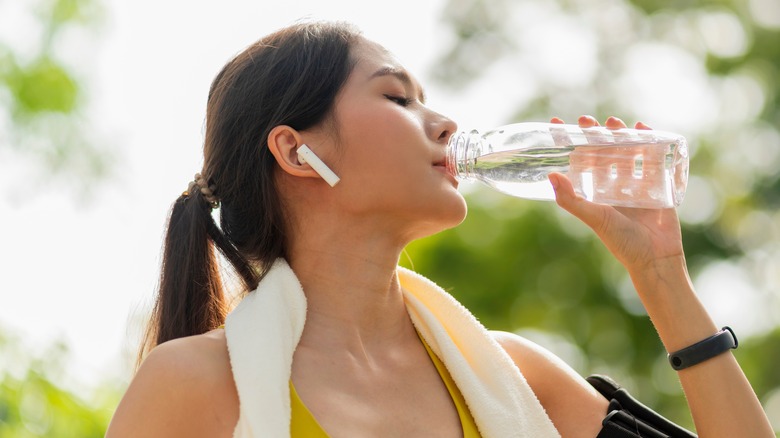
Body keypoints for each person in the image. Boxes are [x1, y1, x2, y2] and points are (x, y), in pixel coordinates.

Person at [105, 21, 774, 437]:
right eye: (397, 97)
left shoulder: (517, 375)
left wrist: (661, 278)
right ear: (296, 152)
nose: (446, 123)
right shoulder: (194, 386)